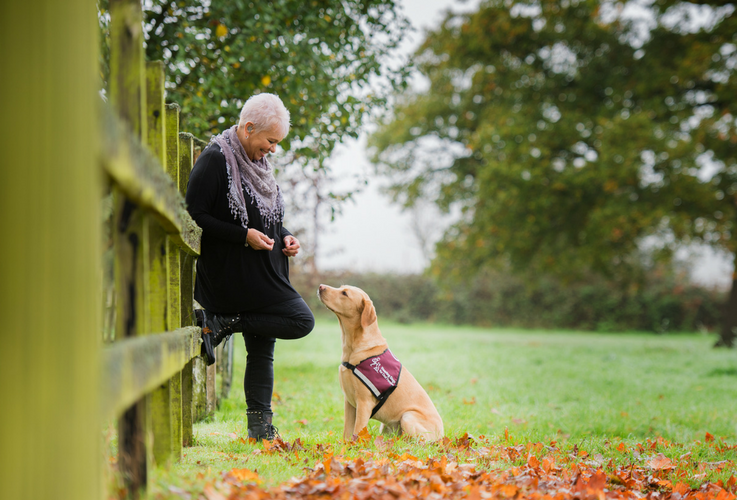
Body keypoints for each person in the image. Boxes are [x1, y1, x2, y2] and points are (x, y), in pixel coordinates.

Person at [185, 93, 315, 441]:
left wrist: (285, 236)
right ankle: (226, 320)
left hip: (263, 271)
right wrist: (243, 236)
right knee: (301, 320)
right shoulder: (216, 159)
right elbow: (195, 215)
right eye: (270, 141)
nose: (273, 149)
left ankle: (260, 429)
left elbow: (269, 219)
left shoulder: (258, 164)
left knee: (262, 352)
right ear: (247, 128)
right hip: (233, 276)